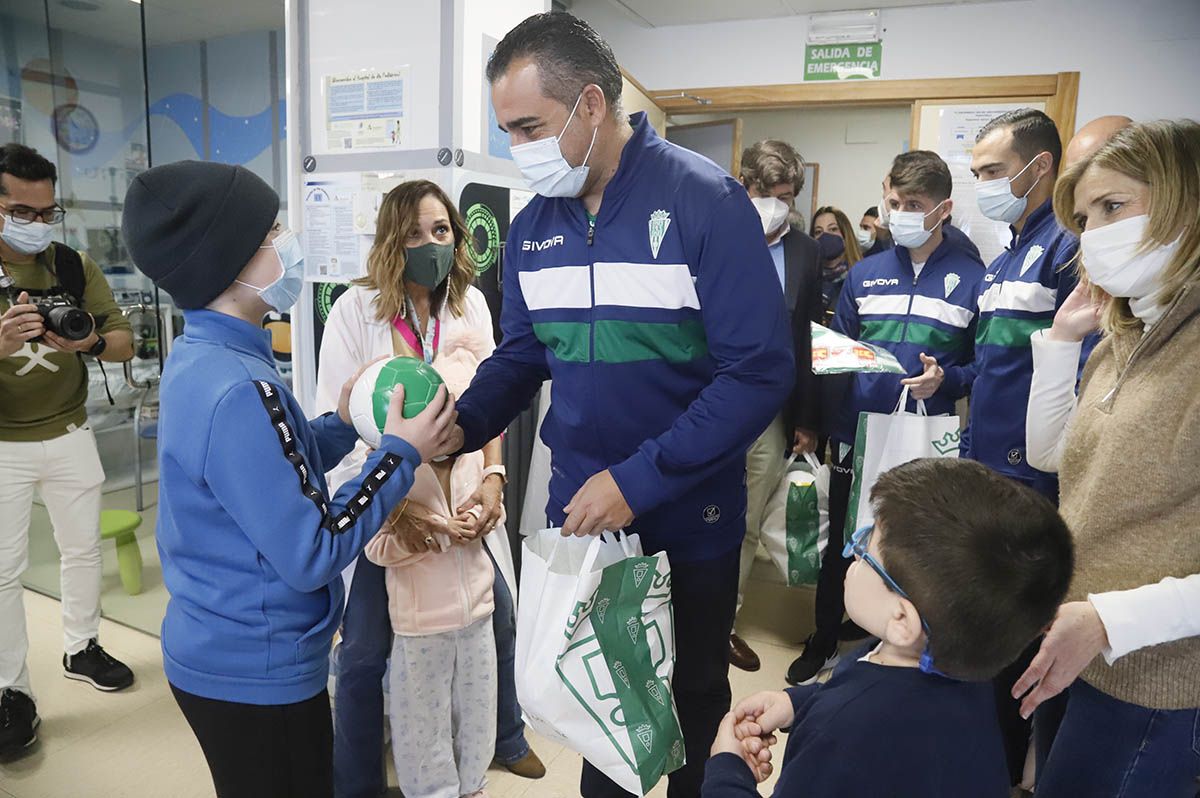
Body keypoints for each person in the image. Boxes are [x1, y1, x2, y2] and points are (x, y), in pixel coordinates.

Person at [450, 12, 795, 798]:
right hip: (586, 524)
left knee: (691, 701)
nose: (518, 150)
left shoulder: (704, 202)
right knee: (605, 705)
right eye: (507, 131)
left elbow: (757, 372)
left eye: (530, 127)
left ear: (592, 106)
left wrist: (639, 480)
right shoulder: (535, 225)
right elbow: (522, 355)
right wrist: (460, 426)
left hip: (689, 515)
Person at [121, 160, 457, 797]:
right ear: (234, 260)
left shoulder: (207, 355)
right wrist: (398, 455)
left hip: (223, 645)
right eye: (275, 231)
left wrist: (347, 422)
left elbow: (277, 464)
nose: (289, 243)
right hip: (257, 668)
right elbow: (313, 550)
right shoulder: (238, 389)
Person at [316, 180, 543, 797]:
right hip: (384, 507)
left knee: (497, 619)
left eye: (441, 230)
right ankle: (357, 783)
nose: (430, 243)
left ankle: (506, 737)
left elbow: (489, 403)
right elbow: (337, 428)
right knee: (362, 654)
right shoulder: (354, 312)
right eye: (415, 232)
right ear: (392, 239)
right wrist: (391, 517)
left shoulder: (469, 306)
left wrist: (495, 479)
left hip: (464, 496)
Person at [702, 457, 1075, 798]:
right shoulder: (963, 663)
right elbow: (860, 677)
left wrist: (727, 771)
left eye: (866, 551)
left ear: (901, 619)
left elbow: (854, 711)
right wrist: (797, 703)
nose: (853, 557)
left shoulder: (843, 730)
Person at [1017, 119, 1200, 798]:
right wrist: (1063, 342)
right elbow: (1053, 455)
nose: (1093, 234)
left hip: (1155, 679)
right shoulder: (1129, 330)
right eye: (1086, 218)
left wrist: (1108, 621)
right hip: (1079, 645)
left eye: (1113, 207)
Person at [787, 150, 983, 687]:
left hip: (927, 434)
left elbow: (980, 364)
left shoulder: (972, 280)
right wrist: (825, 428)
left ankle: (900, 642)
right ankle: (826, 635)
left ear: (942, 209)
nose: (900, 214)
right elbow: (831, 356)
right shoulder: (866, 275)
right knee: (844, 542)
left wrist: (949, 380)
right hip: (860, 431)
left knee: (915, 545)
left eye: (914, 205)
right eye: (894, 202)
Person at [0, 144, 136, 759]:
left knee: (83, 550)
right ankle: (11, 693)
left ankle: (82, 647)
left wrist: (83, 345)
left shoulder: (72, 265)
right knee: (3, 574)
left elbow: (124, 342)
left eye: (46, 211)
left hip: (71, 432)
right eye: (20, 211)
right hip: (3, 444)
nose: (35, 223)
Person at [731, 140, 823, 673]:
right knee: (698, 514)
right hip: (707, 402)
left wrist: (807, 421)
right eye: (766, 194)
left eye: (786, 196)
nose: (776, 205)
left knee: (744, 522)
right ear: (745, 187)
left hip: (769, 408)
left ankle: (724, 620)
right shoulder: (713, 236)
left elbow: (809, 340)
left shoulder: (806, 252)